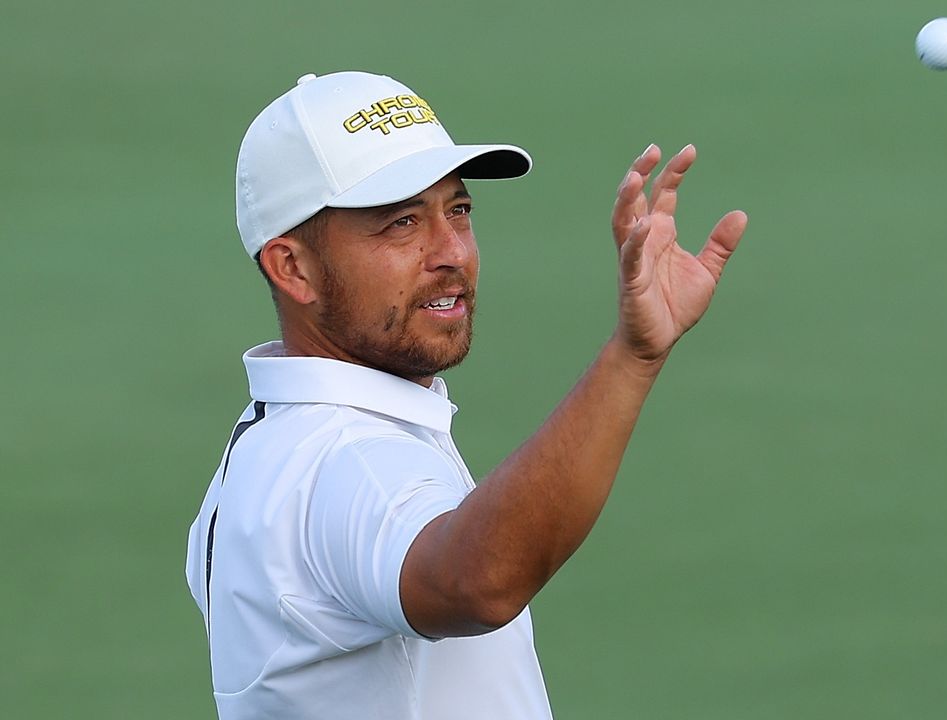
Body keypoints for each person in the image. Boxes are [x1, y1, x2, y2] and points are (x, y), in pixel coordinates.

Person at [184, 70, 748, 719]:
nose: (452, 250)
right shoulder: (344, 460)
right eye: (400, 223)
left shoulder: (268, 444)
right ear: (294, 268)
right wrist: (632, 357)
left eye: (458, 209)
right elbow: (477, 582)